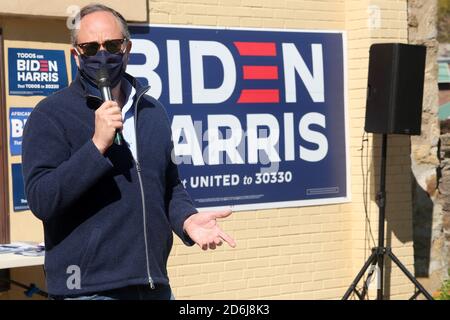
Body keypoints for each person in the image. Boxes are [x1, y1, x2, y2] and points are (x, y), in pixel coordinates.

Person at [22, 4, 236, 300]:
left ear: (127, 48)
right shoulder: (50, 115)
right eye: (90, 48)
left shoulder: (152, 111)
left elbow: (170, 185)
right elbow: (42, 200)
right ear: (76, 55)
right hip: (87, 292)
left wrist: (187, 220)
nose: (102, 55)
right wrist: (96, 146)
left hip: (154, 286)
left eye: (112, 45)